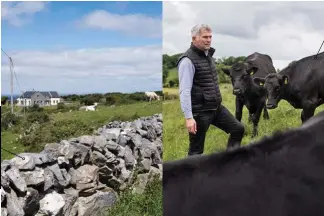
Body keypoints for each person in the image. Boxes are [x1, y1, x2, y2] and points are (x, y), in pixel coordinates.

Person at [177, 24, 245, 156]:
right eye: (205, 37)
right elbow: (184, 91)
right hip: (200, 112)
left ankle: (229, 162)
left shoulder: (208, 56)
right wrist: (189, 118)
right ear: (194, 38)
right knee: (196, 150)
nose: (208, 40)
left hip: (216, 108)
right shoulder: (187, 61)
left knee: (238, 129)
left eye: (210, 37)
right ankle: (192, 176)